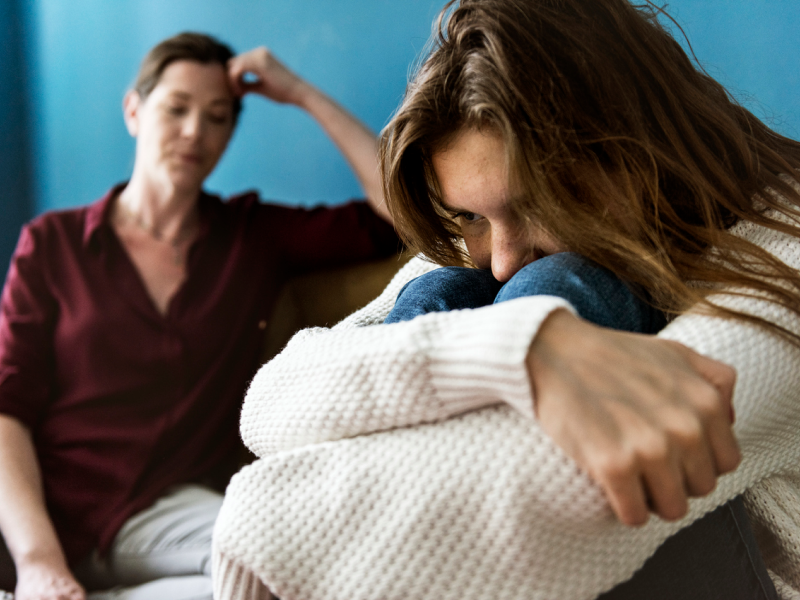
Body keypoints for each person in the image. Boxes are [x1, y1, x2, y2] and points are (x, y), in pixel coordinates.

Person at [212, 0, 800, 599]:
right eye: (470, 215)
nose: (503, 256)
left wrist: (254, 514)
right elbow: (271, 400)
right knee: (451, 288)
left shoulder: (785, 252)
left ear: (640, 154)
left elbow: (519, 496)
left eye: (538, 202)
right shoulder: (489, 255)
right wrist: (522, 347)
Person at [0, 32, 398, 600]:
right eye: (177, 108)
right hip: (50, 515)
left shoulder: (252, 238)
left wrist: (302, 94)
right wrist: (38, 562)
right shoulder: (52, 244)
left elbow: (399, 213)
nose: (195, 132)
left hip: (170, 516)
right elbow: (6, 409)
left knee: (284, 561)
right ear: (134, 111)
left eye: (217, 117)